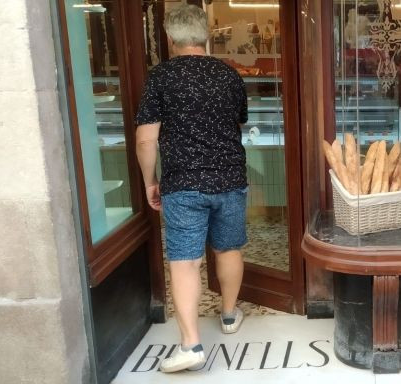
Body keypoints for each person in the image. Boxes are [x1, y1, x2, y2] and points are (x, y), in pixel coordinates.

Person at [134, 4, 248, 373]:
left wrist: (151, 179)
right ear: (206, 35)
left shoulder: (161, 77)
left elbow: (145, 139)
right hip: (230, 178)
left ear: (170, 37)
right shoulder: (228, 75)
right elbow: (239, 123)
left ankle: (190, 345)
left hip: (182, 183)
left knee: (185, 261)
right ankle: (230, 316)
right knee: (228, 249)